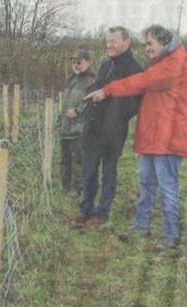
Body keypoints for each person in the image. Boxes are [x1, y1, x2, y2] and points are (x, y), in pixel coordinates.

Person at [84, 25, 187, 252]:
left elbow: (141, 81)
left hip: (168, 139)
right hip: (153, 138)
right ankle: (142, 225)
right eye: (145, 44)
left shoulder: (174, 65)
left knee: (168, 188)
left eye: (150, 43)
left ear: (164, 43)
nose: (146, 49)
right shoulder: (162, 64)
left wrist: (107, 90)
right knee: (146, 184)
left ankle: (171, 234)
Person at [73, 26, 142, 228]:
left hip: (113, 132)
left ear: (127, 42)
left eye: (113, 41)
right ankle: (85, 209)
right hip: (94, 129)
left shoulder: (134, 68)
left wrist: (113, 116)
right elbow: (95, 89)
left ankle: (102, 213)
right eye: (107, 41)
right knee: (89, 171)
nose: (108, 45)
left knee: (109, 173)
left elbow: (133, 104)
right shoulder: (105, 65)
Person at [57, 49, 96, 198]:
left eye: (79, 61)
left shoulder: (92, 80)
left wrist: (78, 112)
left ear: (88, 62)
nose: (76, 65)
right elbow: (64, 104)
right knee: (64, 159)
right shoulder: (71, 79)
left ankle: (76, 189)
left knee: (78, 160)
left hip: (80, 128)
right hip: (66, 128)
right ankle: (65, 186)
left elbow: (91, 103)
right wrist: (60, 121)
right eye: (74, 62)